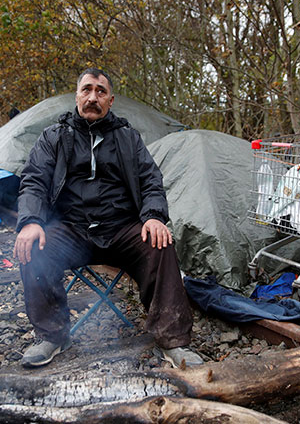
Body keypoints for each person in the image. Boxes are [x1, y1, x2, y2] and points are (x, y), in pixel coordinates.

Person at [13, 68, 203, 368]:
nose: (93, 97)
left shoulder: (128, 138)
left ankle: (173, 341)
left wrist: (153, 216)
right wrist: (32, 221)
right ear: (76, 96)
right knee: (35, 247)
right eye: (87, 90)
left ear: (110, 101)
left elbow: (151, 180)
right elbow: (34, 180)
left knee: (160, 243)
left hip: (121, 230)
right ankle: (52, 336)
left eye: (100, 92)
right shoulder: (54, 137)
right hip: (71, 230)